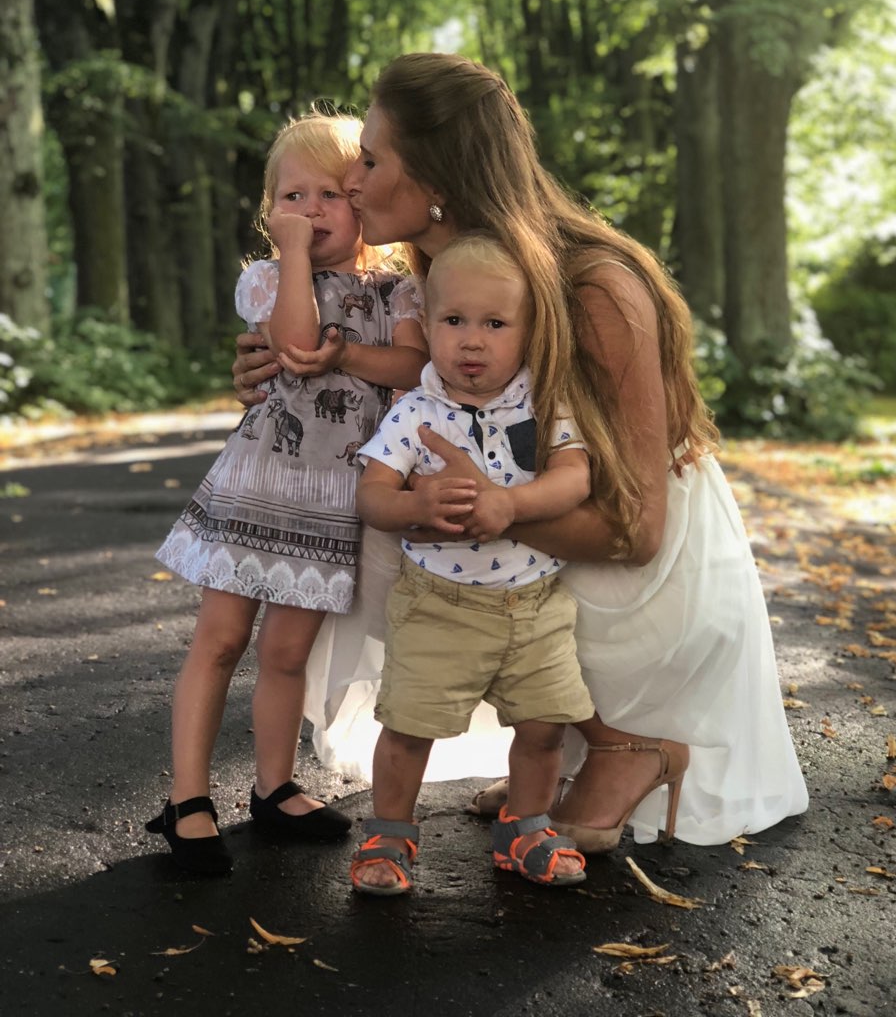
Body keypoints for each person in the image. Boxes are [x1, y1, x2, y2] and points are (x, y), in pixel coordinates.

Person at [232, 53, 809, 855]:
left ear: (436, 174)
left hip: (646, 570)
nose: (352, 184)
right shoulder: (443, 281)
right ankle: (545, 744)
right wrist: (279, 375)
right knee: (367, 522)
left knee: (407, 535)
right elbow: (393, 415)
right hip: (534, 523)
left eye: (370, 160)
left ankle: (621, 741)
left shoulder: (596, 288)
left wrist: (487, 509)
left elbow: (639, 532)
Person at [147, 109, 428, 874]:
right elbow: (298, 342)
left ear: (363, 203)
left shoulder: (398, 291)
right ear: (270, 214)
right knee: (220, 641)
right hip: (258, 487)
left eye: (331, 194)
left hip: (332, 500)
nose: (311, 211)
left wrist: (353, 354)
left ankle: (272, 787)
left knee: (285, 651)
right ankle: (188, 797)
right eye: (292, 198)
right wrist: (295, 253)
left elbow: (411, 369)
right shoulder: (270, 280)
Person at [350, 233, 594, 895]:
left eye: (495, 324)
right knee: (409, 727)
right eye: (454, 321)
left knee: (545, 725)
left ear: (528, 333)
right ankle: (389, 834)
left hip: (536, 603)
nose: (472, 342)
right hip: (439, 603)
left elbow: (574, 477)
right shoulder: (416, 413)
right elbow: (371, 495)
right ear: (427, 326)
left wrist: (510, 505)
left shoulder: (544, 402)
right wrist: (415, 503)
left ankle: (526, 828)